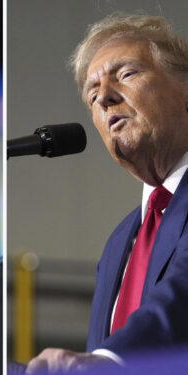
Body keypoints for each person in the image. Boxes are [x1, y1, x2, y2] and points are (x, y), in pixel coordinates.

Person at [26, 13, 188, 374]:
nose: (103, 97)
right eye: (91, 93)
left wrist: (108, 361)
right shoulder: (118, 243)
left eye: (126, 74)